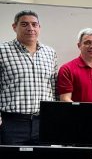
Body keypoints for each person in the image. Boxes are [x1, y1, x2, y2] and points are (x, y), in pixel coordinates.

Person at [0, 10, 57, 145]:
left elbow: (54, 88)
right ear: (14, 27)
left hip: (43, 123)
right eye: (24, 24)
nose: (30, 28)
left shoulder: (50, 53)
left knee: (43, 158)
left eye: (34, 24)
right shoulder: (2, 51)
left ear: (39, 27)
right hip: (12, 124)